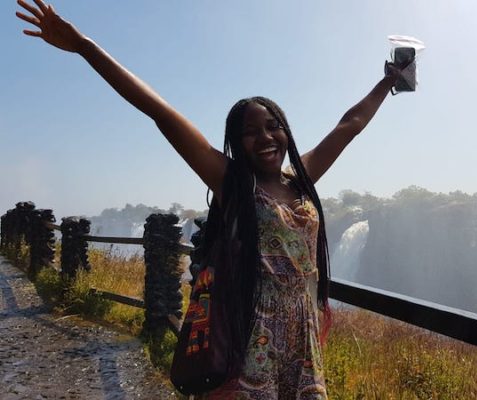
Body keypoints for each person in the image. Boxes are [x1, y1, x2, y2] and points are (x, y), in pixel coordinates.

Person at [16, 1, 405, 398]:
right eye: (251, 131)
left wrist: (387, 83)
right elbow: (160, 113)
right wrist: (84, 46)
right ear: (236, 143)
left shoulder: (302, 182)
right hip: (250, 337)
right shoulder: (232, 185)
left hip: (302, 337)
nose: (266, 137)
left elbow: (349, 125)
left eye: (274, 127)